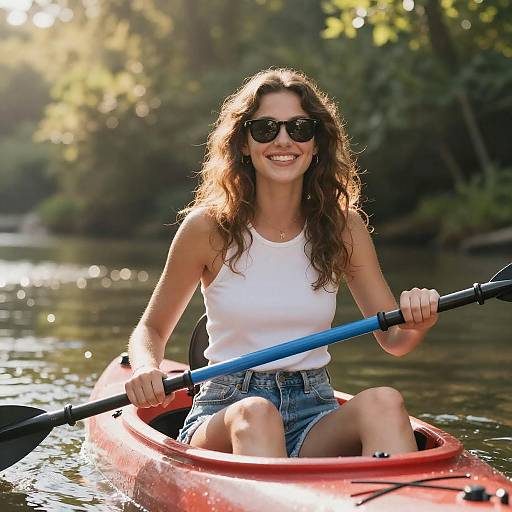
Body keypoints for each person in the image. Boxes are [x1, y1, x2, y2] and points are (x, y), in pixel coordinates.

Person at [125, 68, 439, 459]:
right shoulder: (207, 228)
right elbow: (151, 329)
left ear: (316, 142)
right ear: (243, 143)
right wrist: (144, 367)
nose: (284, 140)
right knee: (258, 414)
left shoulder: (343, 227)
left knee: (385, 402)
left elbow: (395, 340)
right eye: (266, 129)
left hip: (314, 411)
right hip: (229, 409)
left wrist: (417, 321)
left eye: (300, 128)